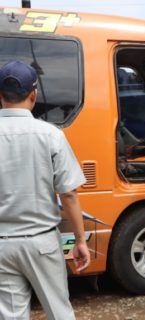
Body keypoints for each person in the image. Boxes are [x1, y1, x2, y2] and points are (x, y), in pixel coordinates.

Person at [0, 61, 90, 320]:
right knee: (59, 312)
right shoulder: (50, 135)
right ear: (34, 94)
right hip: (42, 242)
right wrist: (80, 241)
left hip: (2, 244)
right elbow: (69, 193)